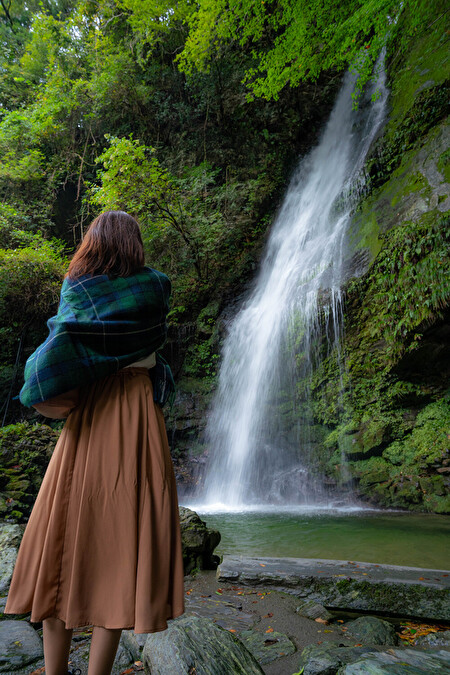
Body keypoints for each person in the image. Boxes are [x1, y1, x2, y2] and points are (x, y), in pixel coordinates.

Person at [5, 211, 185, 675]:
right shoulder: (155, 288)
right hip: (139, 419)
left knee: (60, 542)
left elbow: (61, 350)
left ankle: (53, 672)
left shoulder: (78, 287)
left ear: (93, 242)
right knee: (120, 546)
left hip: (90, 418)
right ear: (135, 243)